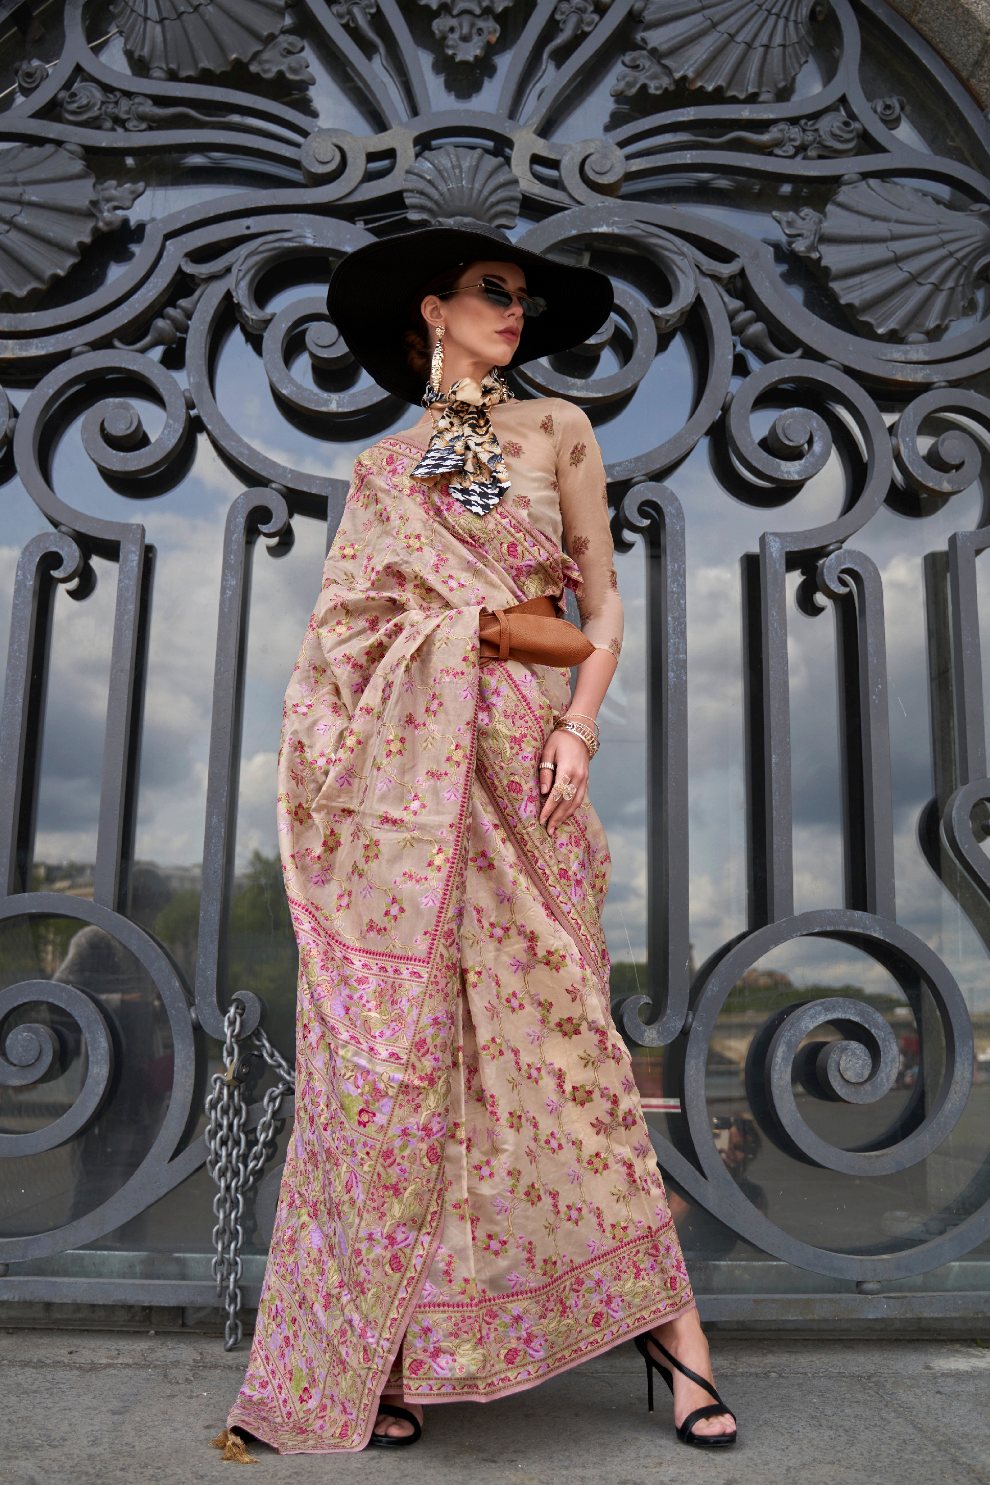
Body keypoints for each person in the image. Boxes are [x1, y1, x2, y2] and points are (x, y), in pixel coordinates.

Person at [215, 219, 736, 1460]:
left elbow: (597, 600)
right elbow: (344, 648)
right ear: (431, 312)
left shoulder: (553, 430)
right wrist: (482, 630)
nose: (515, 310)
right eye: (492, 291)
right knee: (412, 1079)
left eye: (524, 299)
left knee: (573, 1058)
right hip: (411, 806)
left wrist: (580, 724)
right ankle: (392, 1356)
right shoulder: (392, 468)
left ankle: (677, 1342)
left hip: (527, 774)